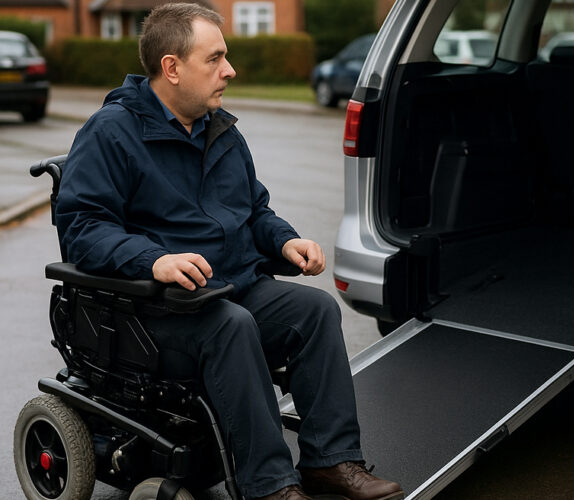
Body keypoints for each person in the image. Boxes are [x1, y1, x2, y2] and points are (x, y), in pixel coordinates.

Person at [54, 3, 403, 500]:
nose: (230, 70)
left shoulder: (219, 129)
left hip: (226, 289)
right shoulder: (111, 132)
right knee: (231, 326)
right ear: (172, 68)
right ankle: (270, 486)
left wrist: (285, 240)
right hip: (151, 309)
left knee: (316, 311)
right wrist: (154, 260)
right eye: (215, 58)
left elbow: (254, 209)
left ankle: (331, 460)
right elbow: (83, 227)